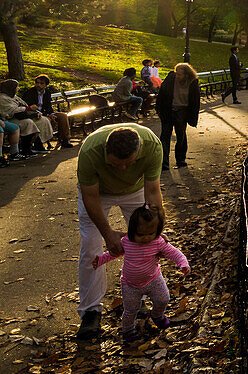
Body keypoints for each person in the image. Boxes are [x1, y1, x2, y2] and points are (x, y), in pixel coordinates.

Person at [75, 124, 164, 340]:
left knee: (144, 243)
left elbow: (152, 191)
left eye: (128, 163)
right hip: (99, 194)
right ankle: (90, 311)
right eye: (116, 164)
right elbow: (90, 197)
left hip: (134, 190)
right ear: (107, 152)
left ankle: (138, 297)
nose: (122, 169)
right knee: (91, 248)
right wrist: (108, 234)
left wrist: (157, 233)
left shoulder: (152, 145)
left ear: (139, 149)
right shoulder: (90, 151)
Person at [93, 204, 189, 343]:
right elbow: (114, 253)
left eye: (150, 234)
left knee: (163, 299)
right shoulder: (127, 242)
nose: (145, 238)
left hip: (154, 280)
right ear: (132, 231)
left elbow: (173, 252)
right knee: (131, 310)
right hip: (130, 285)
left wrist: (183, 264)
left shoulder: (157, 242)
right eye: (140, 234)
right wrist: (101, 260)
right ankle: (128, 330)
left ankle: (157, 315)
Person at [154, 63, 200, 170]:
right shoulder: (171, 79)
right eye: (177, 73)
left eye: (180, 74)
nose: (177, 76)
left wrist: (192, 117)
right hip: (168, 111)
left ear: (187, 75)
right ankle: (164, 162)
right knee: (165, 136)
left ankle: (180, 159)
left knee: (181, 135)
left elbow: (195, 101)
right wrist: (159, 109)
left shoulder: (192, 82)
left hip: (182, 112)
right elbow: (162, 94)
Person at [21, 74, 73, 148]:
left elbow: (48, 105)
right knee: (47, 120)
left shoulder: (47, 93)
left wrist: (51, 113)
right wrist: (48, 115)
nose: (38, 85)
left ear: (45, 85)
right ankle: (40, 142)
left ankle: (65, 139)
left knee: (63, 116)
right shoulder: (30, 92)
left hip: (45, 113)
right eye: (37, 83)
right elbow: (30, 107)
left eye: (41, 83)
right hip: (35, 114)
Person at [0, 78, 52, 154]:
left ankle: (39, 144)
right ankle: (26, 148)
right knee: (27, 123)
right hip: (9, 119)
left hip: (20, 116)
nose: (18, 88)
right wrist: (28, 109)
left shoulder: (14, 96)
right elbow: (10, 111)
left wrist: (36, 113)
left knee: (42, 120)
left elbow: (25, 105)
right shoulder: (2, 98)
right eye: (16, 87)